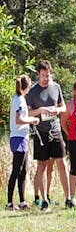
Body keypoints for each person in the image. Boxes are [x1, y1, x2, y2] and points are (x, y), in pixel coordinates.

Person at [26, 60, 72, 209]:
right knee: (42, 165)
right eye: (43, 75)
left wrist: (56, 110)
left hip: (55, 129)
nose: (46, 78)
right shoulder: (33, 92)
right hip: (41, 132)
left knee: (62, 163)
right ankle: (44, 199)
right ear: (38, 74)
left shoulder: (56, 87)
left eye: (48, 75)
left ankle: (69, 198)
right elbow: (28, 112)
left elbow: (63, 107)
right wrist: (40, 110)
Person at [7, 75, 40, 210]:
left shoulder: (20, 99)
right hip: (18, 137)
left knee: (23, 171)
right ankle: (9, 202)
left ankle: (22, 201)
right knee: (17, 169)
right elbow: (19, 119)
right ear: (26, 87)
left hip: (23, 137)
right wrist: (32, 120)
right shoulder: (19, 100)